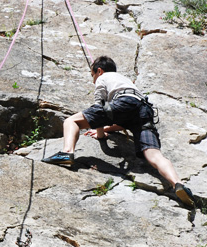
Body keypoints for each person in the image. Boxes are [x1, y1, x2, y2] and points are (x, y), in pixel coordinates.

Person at [42, 55, 195, 207]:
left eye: (92, 75)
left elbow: (100, 107)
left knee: (71, 121)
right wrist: (108, 129)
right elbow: (124, 121)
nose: (93, 80)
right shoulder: (125, 81)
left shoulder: (103, 77)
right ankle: (178, 184)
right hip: (144, 109)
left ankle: (66, 152)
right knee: (155, 156)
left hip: (124, 102)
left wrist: (100, 135)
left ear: (99, 71)